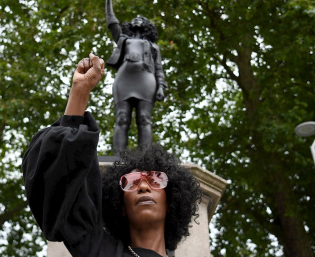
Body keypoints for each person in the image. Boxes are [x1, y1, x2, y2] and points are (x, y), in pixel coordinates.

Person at [22, 54, 201, 257]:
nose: (143, 186)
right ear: (121, 208)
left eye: (154, 180)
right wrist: (80, 90)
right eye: (131, 182)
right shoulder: (100, 251)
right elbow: (59, 181)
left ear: (170, 201)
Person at [105, 0, 167, 153]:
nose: (137, 19)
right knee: (122, 117)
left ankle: (145, 158)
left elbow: (159, 68)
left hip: (146, 80)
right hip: (124, 79)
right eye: (135, 18)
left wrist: (161, 86)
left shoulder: (153, 47)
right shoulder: (123, 40)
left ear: (146, 25)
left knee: (144, 119)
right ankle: (118, 158)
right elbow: (111, 22)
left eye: (141, 18)